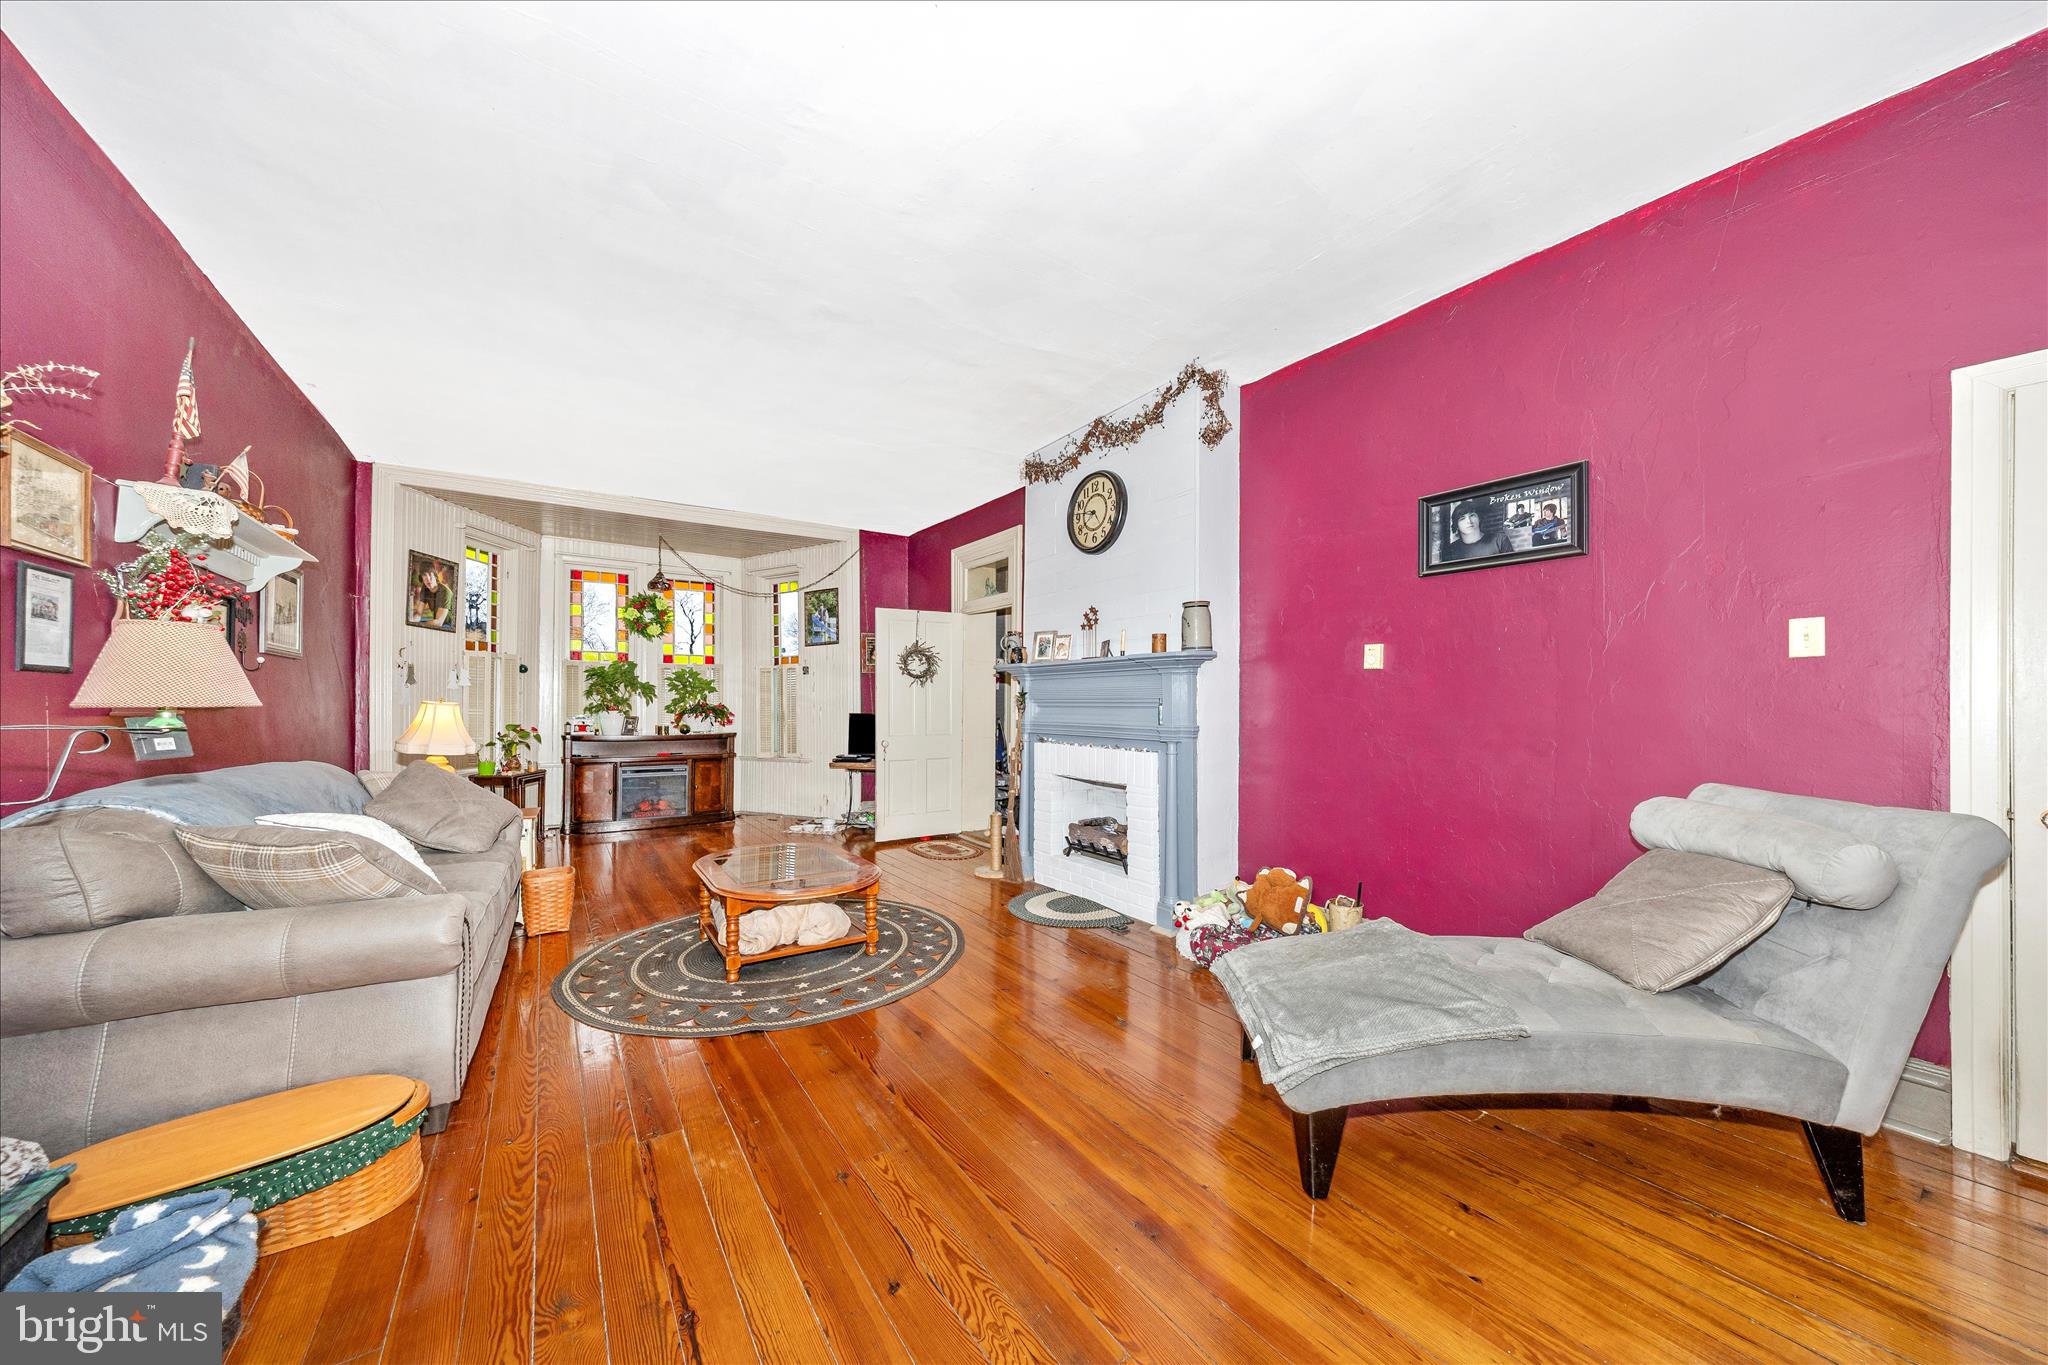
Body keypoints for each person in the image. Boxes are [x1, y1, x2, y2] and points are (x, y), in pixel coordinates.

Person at [1439, 500, 1513, 562]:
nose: (1469, 521)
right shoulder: (1450, 550)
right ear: (1456, 525)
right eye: (1462, 518)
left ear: (1479, 518)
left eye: (1472, 515)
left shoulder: (1500, 540)